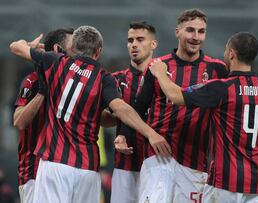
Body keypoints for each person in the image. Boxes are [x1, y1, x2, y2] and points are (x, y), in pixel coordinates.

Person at [9, 25, 171, 203]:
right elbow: (120, 108)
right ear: (99, 51)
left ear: (73, 48)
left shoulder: (56, 62)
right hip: (88, 168)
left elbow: (15, 47)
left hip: (55, 163)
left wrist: (30, 45)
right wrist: (150, 132)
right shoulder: (104, 78)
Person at [149, 32, 258, 202]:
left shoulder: (221, 87)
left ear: (231, 53)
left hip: (226, 180)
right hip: (257, 181)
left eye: (226, 50)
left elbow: (177, 96)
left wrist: (160, 73)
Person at [127, 8, 228, 203]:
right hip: (158, 157)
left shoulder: (217, 69)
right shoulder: (158, 66)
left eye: (201, 31)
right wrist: (137, 134)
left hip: (196, 162)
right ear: (177, 32)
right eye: (190, 30)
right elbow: (138, 108)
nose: (196, 37)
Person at [13, 28, 74, 203]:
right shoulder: (33, 81)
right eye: (73, 47)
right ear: (57, 50)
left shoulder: (73, 82)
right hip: (35, 171)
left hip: (65, 168)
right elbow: (18, 122)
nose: (77, 52)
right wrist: (42, 93)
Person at [110, 21, 158, 203]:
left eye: (140, 39)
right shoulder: (115, 80)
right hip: (124, 167)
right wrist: (114, 113)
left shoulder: (166, 79)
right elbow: (103, 120)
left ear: (153, 44)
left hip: (157, 165)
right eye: (130, 40)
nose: (134, 44)